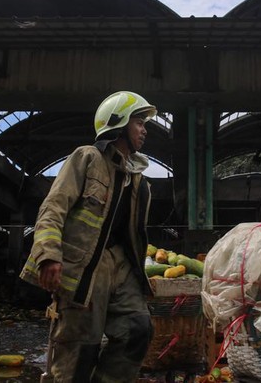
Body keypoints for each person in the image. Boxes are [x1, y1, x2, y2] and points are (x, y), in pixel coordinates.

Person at [20, 91, 157, 383]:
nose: (144, 130)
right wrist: (48, 254)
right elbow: (53, 208)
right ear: (119, 123)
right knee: (80, 352)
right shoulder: (87, 158)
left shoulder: (138, 180)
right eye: (139, 122)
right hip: (84, 270)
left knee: (138, 329)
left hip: (121, 266)